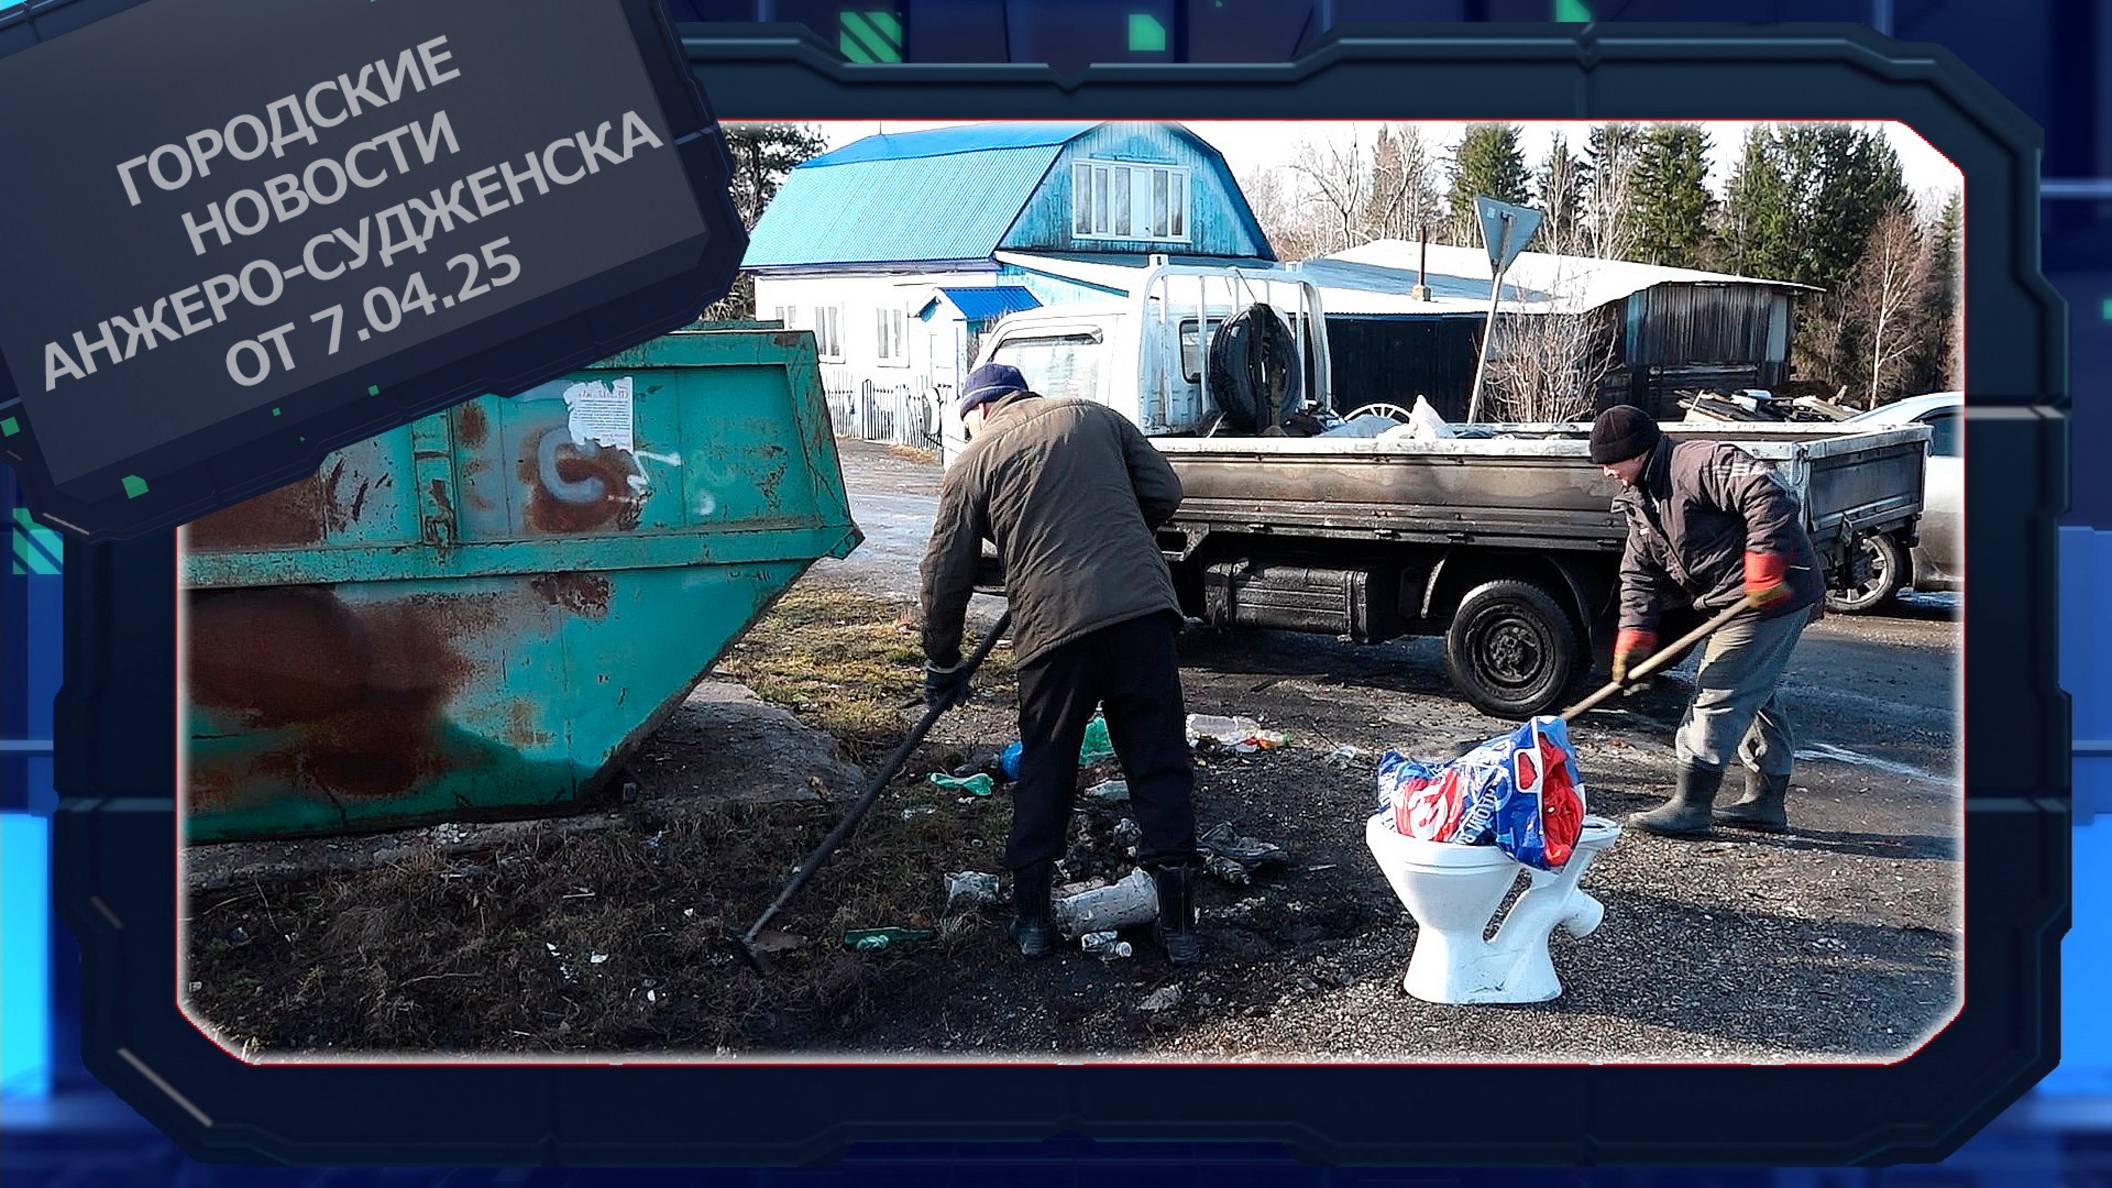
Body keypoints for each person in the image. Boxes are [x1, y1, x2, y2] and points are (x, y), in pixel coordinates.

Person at [919, 362, 1203, 963]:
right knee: (1158, 760)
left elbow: (946, 576)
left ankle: (1033, 924)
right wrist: (1107, 532)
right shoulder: (1095, 416)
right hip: (1142, 615)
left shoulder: (974, 461)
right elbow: (1166, 493)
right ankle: (1179, 926)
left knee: (1047, 763)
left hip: (1054, 633)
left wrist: (943, 663)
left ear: (979, 410)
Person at [1591, 405, 1825, 837]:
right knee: (1756, 690)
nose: (1606, 471)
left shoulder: (1696, 463)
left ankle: (1692, 805)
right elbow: (1638, 574)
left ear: (1638, 451)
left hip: (1772, 595)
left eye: (1610, 461)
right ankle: (1765, 801)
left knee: (1720, 686)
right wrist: (1633, 639)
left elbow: (1769, 490)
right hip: (1728, 599)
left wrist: (1764, 562)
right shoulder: (1640, 499)